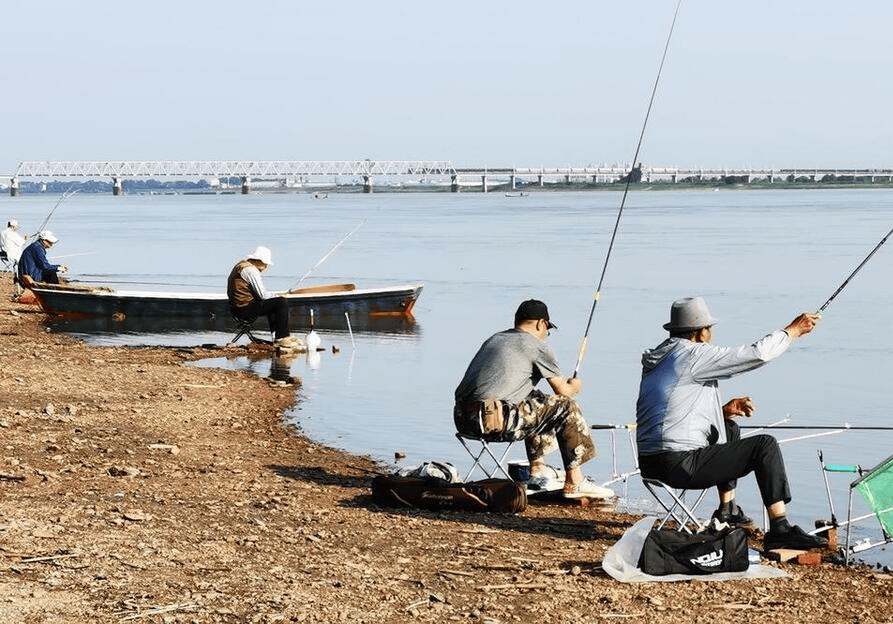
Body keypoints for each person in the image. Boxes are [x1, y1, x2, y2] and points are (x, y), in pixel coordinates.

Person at [635, 296, 828, 551]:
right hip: (678, 465)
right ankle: (779, 528)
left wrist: (722, 411)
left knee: (728, 428)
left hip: (651, 463)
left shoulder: (661, 358)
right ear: (700, 333)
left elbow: (672, 408)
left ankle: (727, 510)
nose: (711, 333)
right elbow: (756, 355)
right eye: (709, 328)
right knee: (764, 446)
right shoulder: (694, 355)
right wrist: (792, 331)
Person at [454, 299, 612, 499]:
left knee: (536, 399)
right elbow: (563, 392)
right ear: (541, 323)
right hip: (493, 422)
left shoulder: (494, 339)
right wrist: (576, 386)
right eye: (548, 329)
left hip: (463, 420)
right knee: (566, 406)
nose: (547, 335)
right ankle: (575, 481)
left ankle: (537, 470)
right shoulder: (535, 345)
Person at [227, 246, 299, 350]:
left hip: (238, 307)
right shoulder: (250, 270)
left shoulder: (241, 265)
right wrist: (279, 295)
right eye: (265, 264)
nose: (266, 267)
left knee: (274, 303)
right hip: (244, 308)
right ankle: (283, 337)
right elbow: (262, 295)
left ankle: (277, 337)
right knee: (281, 302)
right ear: (259, 261)